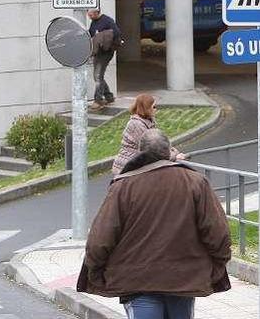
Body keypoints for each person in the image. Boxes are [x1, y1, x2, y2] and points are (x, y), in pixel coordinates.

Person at [78, 129, 232, 319]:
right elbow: (218, 232)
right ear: (168, 152)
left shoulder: (123, 187)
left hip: (137, 280)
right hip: (183, 279)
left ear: (140, 153)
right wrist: (217, 266)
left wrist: (95, 271)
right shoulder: (195, 182)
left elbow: (100, 239)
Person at [111, 94, 185, 175]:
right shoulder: (136, 124)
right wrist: (174, 156)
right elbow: (153, 149)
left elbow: (160, 142)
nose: (156, 109)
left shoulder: (148, 121)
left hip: (137, 165)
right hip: (127, 168)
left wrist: (175, 152)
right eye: (154, 107)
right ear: (146, 108)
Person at [88, 8, 123, 109]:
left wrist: (104, 38)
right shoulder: (93, 22)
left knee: (98, 76)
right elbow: (91, 33)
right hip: (97, 52)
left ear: (97, 13)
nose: (89, 17)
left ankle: (98, 100)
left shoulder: (107, 21)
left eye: (91, 15)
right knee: (99, 76)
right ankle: (109, 97)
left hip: (106, 52)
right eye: (88, 15)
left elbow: (116, 33)